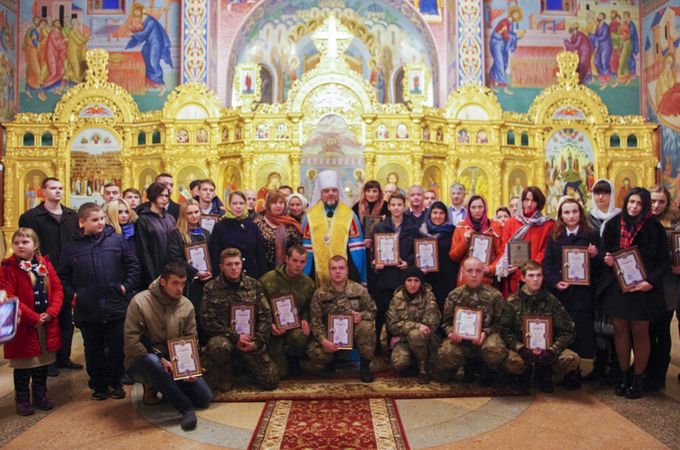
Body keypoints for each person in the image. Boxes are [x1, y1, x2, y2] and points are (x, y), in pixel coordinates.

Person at [58, 203, 140, 400]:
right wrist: (74, 295)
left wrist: (125, 287)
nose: (100, 223)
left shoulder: (117, 241)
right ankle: (98, 385)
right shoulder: (71, 248)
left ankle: (115, 382)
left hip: (114, 304)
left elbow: (133, 265)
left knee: (116, 347)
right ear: (82, 222)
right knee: (93, 349)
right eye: (95, 220)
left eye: (102, 218)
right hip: (88, 309)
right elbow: (62, 277)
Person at [124, 262, 212, 431]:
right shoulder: (140, 302)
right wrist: (160, 360)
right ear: (163, 282)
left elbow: (191, 339)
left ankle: (164, 385)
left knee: (204, 398)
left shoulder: (186, 305)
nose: (180, 288)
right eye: (175, 283)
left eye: (183, 283)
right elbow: (131, 340)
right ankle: (185, 408)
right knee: (152, 362)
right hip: (142, 362)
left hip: (175, 362)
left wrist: (191, 369)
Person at [600, 188, 670, 399]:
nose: (634, 207)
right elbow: (606, 252)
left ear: (645, 206)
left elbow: (664, 262)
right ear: (626, 202)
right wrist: (607, 260)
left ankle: (638, 377)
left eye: (639, 204)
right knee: (620, 331)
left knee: (640, 332)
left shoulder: (654, 228)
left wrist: (650, 282)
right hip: (618, 287)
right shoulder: (613, 225)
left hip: (643, 289)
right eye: (631, 202)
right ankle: (623, 375)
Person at [19, 177, 80, 376]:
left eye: (61, 188)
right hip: (41, 274)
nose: (58, 191)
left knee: (65, 318)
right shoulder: (30, 217)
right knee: (46, 317)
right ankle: (48, 360)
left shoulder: (72, 216)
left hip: (68, 274)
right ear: (43, 191)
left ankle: (64, 357)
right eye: (53, 188)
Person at [0, 228, 63, 415]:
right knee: (23, 365)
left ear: (35, 245)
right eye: (17, 242)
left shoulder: (45, 264)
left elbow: (58, 289)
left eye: (25, 242)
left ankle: (40, 393)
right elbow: (9, 296)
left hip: (46, 323)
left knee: (42, 363)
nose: (20, 245)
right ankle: (22, 398)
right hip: (24, 325)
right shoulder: (7, 269)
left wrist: (51, 312)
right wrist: (33, 317)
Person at [201, 248, 279, 392]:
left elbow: (265, 316)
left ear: (242, 264)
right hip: (225, 339)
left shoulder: (254, 285)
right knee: (219, 347)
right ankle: (225, 373)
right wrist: (235, 337)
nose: (234, 268)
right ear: (221, 267)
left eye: (237, 263)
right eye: (229, 264)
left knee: (270, 381)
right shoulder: (211, 288)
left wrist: (256, 342)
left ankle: (244, 369)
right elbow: (207, 321)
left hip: (250, 339)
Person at [542, 198, 600, 389]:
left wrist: (595, 255)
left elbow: (600, 269)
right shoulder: (554, 236)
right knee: (561, 331)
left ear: (580, 213)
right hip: (562, 294)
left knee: (581, 333)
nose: (571, 216)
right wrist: (555, 281)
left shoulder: (591, 234)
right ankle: (560, 369)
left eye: (574, 212)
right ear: (561, 216)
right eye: (566, 213)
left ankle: (576, 372)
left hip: (583, 294)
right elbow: (547, 263)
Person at [436, 258, 520, 385]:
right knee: (446, 353)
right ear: (463, 272)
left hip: (485, 339)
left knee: (495, 349)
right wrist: (451, 332)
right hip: (461, 340)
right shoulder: (454, 295)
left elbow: (502, 324)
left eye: (478, 271)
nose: (474, 275)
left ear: (483, 272)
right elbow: (446, 323)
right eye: (470, 271)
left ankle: (487, 368)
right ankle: (466, 366)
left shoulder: (494, 295)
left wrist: (485, 333)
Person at [506, 261, 581, 393]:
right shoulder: (512, 301)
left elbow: (568, 330)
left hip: (547, 351)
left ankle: (544, 371)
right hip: (522, 350)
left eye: (539, 275)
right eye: (531, 275)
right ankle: (524, 372)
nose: (535, 279)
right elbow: (505, 331)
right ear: (523, 278)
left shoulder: (552, 301)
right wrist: (521, 348)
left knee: (571, 359)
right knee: (511, 362)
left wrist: (552, 350)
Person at [303, 256, 376, 382]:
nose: (337, 271)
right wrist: (324, 341)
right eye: (334, 268)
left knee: (366, 327)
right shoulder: (320, 294)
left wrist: (361, 315)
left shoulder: (359, 290)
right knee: (315, 353)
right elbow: (315, 322)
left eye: (341, 268)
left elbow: (373, 311)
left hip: (354, 336)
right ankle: (330, 360)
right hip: (330, 337)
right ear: (329, 270)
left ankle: (364, 367)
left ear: (347, 270)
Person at [372, 192, 420, 354]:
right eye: (393, 205)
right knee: (382, 311)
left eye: (399, 205)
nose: (396, 208)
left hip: (403, 276)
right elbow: (373, 251)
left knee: (399, 313)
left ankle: (395, 346)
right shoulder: (380, 227)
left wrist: (409, 262)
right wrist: (375, 262)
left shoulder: (412, 227)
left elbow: (417, 250)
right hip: (385, 276)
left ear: (404, 206)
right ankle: (377, 345)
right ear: (389, 206)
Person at [302, 170, 367, 286]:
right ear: (320, 193)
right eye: (326, 191)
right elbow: (306, 249)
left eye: (334, 190)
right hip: (315, 273)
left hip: (346, 272)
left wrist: (359, 275)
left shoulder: (350, 215)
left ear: (339, 192)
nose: (331, 193)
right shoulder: (310, 216)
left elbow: (357, 250)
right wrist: (305, 275)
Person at [259, 245, 315, 379]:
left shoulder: (308, 283)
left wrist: (305, 319)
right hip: (273, 329)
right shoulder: (267, 280)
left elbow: (309, 307)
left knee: (300, 336)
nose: (298, 265)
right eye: (295, 260)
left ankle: (293, 358)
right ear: (286, 259)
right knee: (279, 374)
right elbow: (259, 308)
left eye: (302, 262)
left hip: (294, 327)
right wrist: (269, 324)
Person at [586, 179, 621, 384]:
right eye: (597, 193)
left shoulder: (619, 218)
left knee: (614, 324)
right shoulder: (589, 219)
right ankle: (600, 365)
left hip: (613, 280)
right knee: (597, 324)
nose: (601, 197)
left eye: (605, 193)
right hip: (593, 279)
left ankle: (617, 366)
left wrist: (601, 255)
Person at [645, 185, 679, 391]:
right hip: (646, 284)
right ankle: (646, 367)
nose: (656, 205)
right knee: (646, 329)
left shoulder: (674, 222)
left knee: (662, 329)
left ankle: (659, 373)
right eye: (652, 201)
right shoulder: (642, 220)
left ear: (667, 203)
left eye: (661, 201)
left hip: (668, 285)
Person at [167, 199, 212, 345]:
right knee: (189, 319)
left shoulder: (205, 233)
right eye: (190, 213)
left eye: (196, 212)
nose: (194, 216)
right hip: (187, 284)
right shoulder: (176, 234)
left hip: (205, 282)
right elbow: (175, 259)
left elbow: (211, 256)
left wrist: (210, 271)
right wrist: (196, 272)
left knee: (204, 317)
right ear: (184, 215)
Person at [386, 267, 441, 383]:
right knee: (398, 361)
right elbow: (392, 325)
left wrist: (401, 336)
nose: (412, 284)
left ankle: (423, 369)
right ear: (404, 282)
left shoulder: (428, 296)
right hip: (406, 342)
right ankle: (414, 364)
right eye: (409, 280)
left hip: (426, 341)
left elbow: (430, 325)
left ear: (421, 283)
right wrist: (416, 326)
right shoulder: (397, 298)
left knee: (416, 335)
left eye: (416, 280)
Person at [496, 186, 555, 296]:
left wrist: (530, 268)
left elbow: (545, 251)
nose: (529, 204)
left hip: (535, 276)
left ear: (539, 203)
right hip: (512, 276)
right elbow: (504, 246)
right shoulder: (511, 222)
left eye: (533, 201)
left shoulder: (548, 224)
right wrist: (508, 263)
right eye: (526, 200)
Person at [209, 191, 267, 279]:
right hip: (227, 276)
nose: (238, 206)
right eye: (234, 203)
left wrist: (262, 276)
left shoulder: (252, 226)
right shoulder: (220, 226)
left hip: (250, 276)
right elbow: (215, 254)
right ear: (229, 205)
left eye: (241, 203)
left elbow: (260, 254)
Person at [449, 195, 503, 287]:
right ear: (468, 209)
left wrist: (491, 269)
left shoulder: (495, 227)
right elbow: (453, 257)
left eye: (480, 207)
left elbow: (501, 254)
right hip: (466, 280)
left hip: (487, 280)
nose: (477, 210)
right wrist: (464, 241)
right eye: (473, 207)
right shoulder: (460, 227)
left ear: (485, 208)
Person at [136, 182, 176, 286]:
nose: (164, 199)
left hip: (171, 267)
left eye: (166, 196)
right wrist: (152, 276)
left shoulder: (170, 218)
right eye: (160, 195)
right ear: (153, 196)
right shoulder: (143, 219)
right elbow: (143, 250)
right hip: (153, 266)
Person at [419, 201, 457, 309]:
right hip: (428, 277)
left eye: (441, 213)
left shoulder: (452, 231)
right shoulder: (422, 231)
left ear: (446, 215)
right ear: (429, 214)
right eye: (435, 213)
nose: (438, 216)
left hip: (447, 276)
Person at [253, 190, 303, 272]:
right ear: (268, 205)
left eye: (281, 202)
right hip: (263, 271)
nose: (278, 205)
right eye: (274, 202)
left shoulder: (291, 224)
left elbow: (298, 248)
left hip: (288, 271)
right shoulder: (258, 223)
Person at [590, 12, 613, 90]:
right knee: (596, 61)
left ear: (603, 17)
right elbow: (596, 35)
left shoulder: (606, 26)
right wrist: (592, 36)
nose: (598, 16)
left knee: (604, 62)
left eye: (600, 16)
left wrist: (594, 37)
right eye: (598, 15)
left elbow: (603, 37)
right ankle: (603, 78)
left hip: (606, 47)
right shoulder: (598, 25)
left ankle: (606, 82)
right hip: (600, 46)